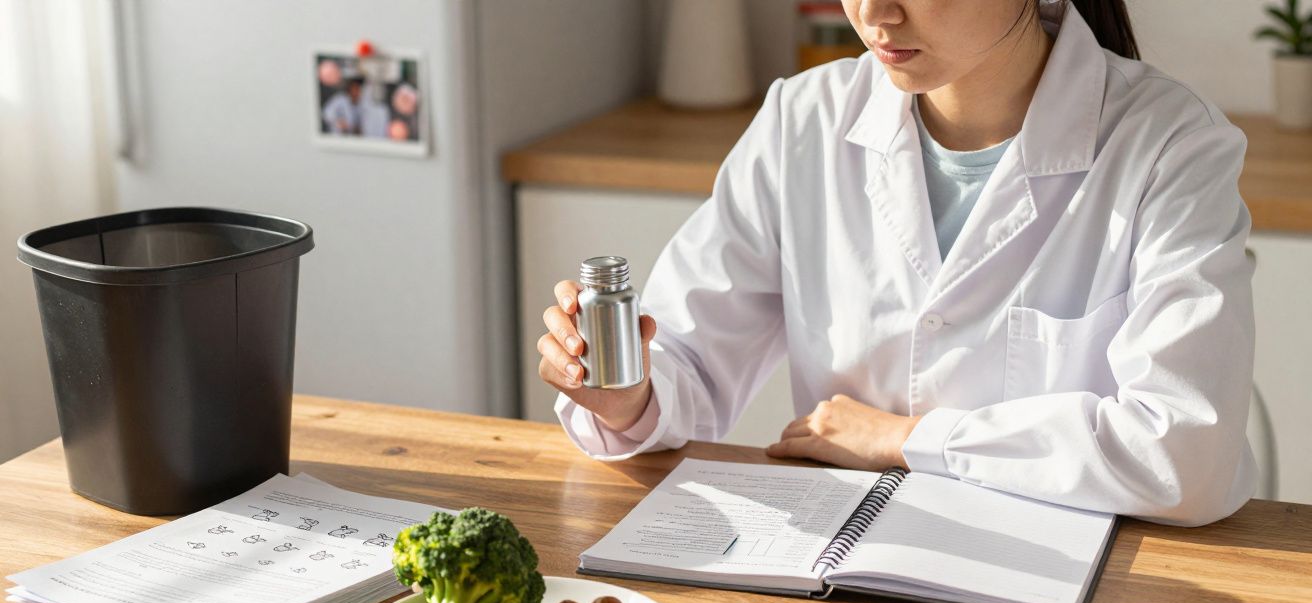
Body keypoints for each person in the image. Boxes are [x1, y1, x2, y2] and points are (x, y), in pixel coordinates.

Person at [537, 0, 1256, 527]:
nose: (875, 13)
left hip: (1095, 589)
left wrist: (908, 440)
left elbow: (1184, 452)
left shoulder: (1169, 146)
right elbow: (687, 360)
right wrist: (627, 394)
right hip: (843, 568)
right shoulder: (804, 119)